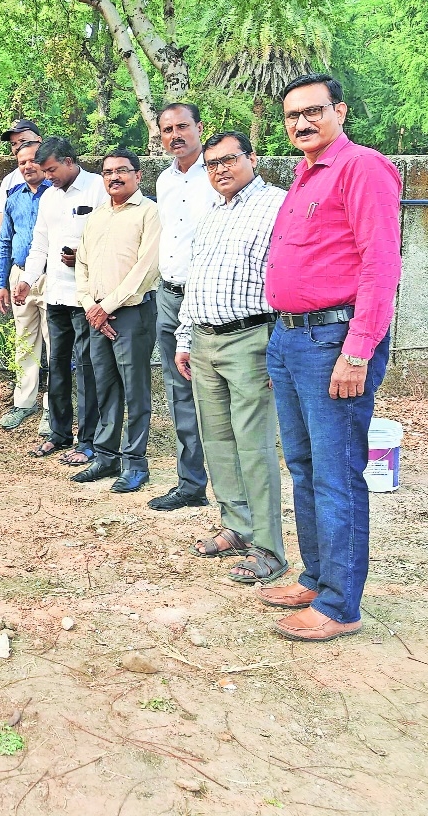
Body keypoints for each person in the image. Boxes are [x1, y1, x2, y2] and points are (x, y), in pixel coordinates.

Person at [261, 74, 402, 642]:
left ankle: (341, 604)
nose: (302, 123)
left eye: (314, 112)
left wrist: (358, 349)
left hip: (333, 342)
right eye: (292, 115)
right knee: (304, 466)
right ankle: (318, 577)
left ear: (339, 111)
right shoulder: (305, 174)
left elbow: (380, 266)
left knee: (337, 473)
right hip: (291, 339)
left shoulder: (361, 167)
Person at [175, 133, 287, 583]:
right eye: (211, 164)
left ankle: (269, 548)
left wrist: (279, 348)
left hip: (250, 341)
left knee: (254, 446)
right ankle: (237, 527)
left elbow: (285, 277)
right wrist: (185, 338)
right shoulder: (212, 215)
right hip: (204, 342)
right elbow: (194, 281)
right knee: (217, 442)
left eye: (228, 160)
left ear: (252, 159)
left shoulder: (277, 206)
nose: (220, 169)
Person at [71, 148, 160, 493]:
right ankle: (106, 456)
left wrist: (106, 306)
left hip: (132, 315)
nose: (114, 177)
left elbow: (146, 269)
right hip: (96, 316)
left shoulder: (149, 213)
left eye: (122, 171)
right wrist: (90, 305)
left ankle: (135, 463)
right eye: (108, 172)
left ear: (138, 176)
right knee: (104, 388)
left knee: (135, 391)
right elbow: (82, 264)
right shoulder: (97, 216)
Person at [19, 137, 108, 466]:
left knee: (86, 370)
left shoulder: (98, 188)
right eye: (44, 171)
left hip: (86, 297)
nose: (47, 176)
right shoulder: (49, 198)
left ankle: (88, 441)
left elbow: (110, 237)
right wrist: (27, 280)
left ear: (70, 162)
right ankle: (58, 434)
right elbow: (40, 243)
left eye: (52, 170)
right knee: (56, 366)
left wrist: (82, 257)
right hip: (55, 294)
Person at [149, 103, 220, 512]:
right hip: (169, 295)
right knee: (179, 390)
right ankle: (190, 483)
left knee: (215, 391)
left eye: (182, 127)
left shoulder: (216, 174)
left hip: (208, 298)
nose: (175, 135)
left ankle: (231, 486)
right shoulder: (164, 180)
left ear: (199, 128)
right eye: (166, 129)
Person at [0, 139, 51, 429]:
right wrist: (1, 282)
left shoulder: (57, 194)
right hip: (19, 277)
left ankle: (54, 408)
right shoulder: (14, 196)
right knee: (24, 341)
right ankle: (23, 402)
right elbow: (4, 241)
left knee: (55, 344)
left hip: (51, 276)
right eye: (21, 163)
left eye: (32, 161)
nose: (28, 166)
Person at [0, 118, 41, 212]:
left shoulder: (54, 174)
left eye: (23, 140)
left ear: (39, 141)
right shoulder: (9, 181)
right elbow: (4, 220)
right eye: (13, 144)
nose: (18, 147)